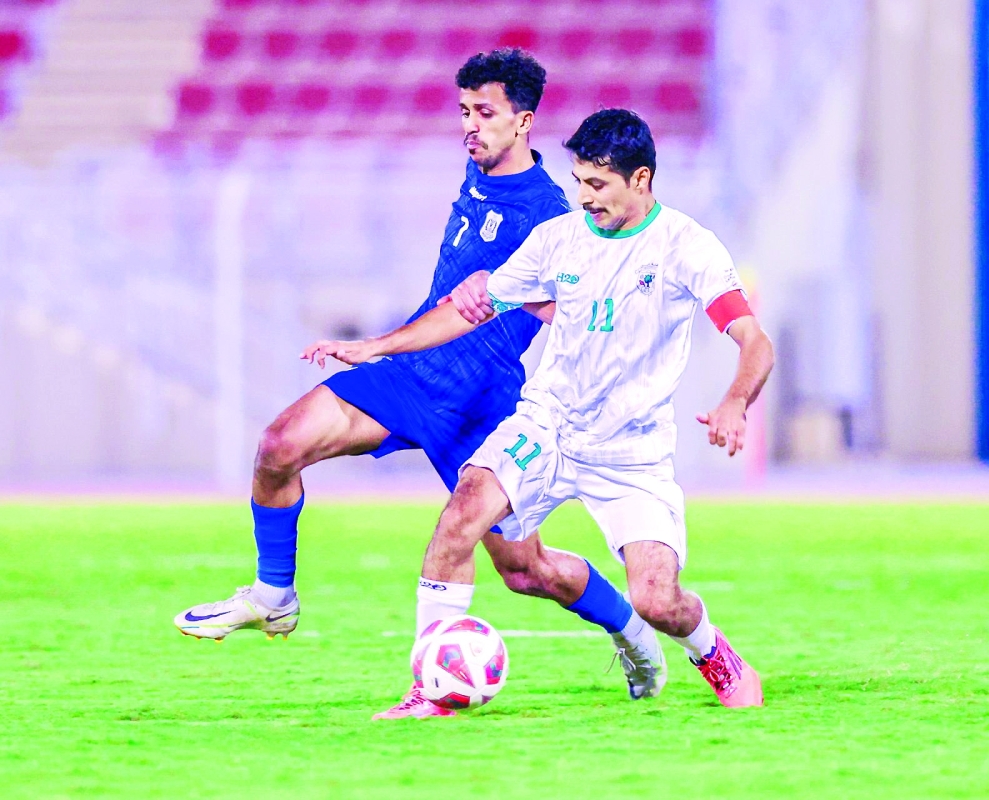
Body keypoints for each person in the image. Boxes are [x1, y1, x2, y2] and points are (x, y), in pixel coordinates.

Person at [175, 51, 665, 719]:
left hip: (483, 405)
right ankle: (274, 595)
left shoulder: (553, 214)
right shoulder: (478, 170)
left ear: (524, 121)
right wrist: (382, 349)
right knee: (279, 446)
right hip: (413, 377)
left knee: (527, 571)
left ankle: (632, 630)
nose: (470, 125)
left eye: (485, 113)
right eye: (464, 111)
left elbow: (579, 299)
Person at [311, 108, 775, 708]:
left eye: (597, 184)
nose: (584, 197)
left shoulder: (687, 247)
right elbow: (470, 310)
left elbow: (753, 340)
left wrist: (736, 401)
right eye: (578, 181)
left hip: (631, 448)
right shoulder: (559, 239)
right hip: (548, 424)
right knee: (461, 517)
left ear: (641, 179)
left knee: (657, 600)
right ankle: (430, 688)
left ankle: (711, 652)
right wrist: (377, 347)